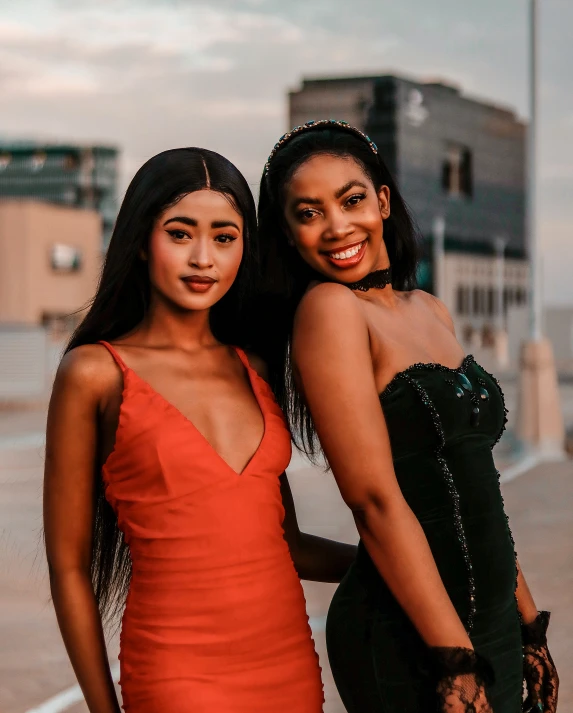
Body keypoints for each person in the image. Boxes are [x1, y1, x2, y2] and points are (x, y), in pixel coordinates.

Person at [256, 120, 559, 713]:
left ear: (383, 201)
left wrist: (528, 624)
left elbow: (479, 488)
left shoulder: (431, 310)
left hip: (490, 621)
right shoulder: (328, 311)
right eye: (309, 212)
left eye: (351, 200)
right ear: (289, 235)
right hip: (413, 637)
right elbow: (373, 501)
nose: (339, 226)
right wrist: (456, 664)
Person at [43, 147, 356, 713]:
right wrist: (102, 707)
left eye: (225, 237)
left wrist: (397, 564)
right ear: (142, 241)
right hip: (175, 671)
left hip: (287, 667)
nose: (203, 258)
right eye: (181, 234)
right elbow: (68, 566)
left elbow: (286, 546)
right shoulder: (94, 373)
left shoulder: (256, 369)